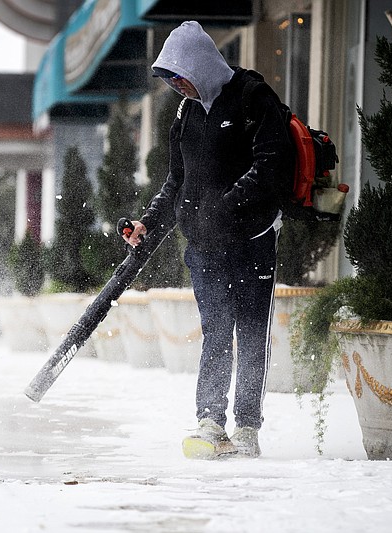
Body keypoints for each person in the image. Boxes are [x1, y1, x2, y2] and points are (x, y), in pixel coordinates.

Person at [123, 21, 294, 459]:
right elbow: (175, 182)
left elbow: (271, 166)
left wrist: (224, 207)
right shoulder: (186, 114)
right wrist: (148, 223)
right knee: (217, 330)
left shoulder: (253, 98)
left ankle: (248, 426)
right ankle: (211, 419)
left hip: (253, 239)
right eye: (170, 80)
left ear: (198, 66)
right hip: (204, 247)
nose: (177, 86)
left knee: (253, 331)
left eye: (179, 76)